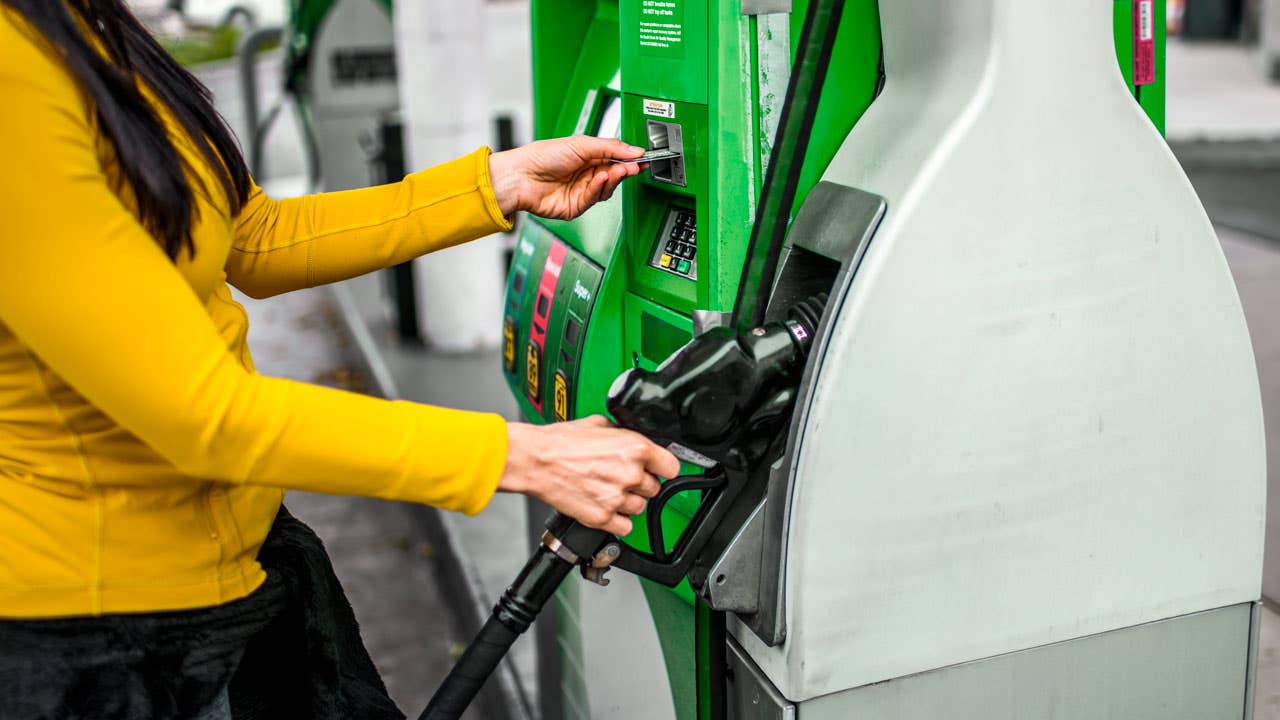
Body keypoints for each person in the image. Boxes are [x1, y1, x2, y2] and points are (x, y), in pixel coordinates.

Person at [0, 1, 679, 717]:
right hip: (104, 646)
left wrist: (492, 186)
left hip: (233, 574)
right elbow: (204, 416)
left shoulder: (77, 23)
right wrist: (522, 458)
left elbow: (250, 237)